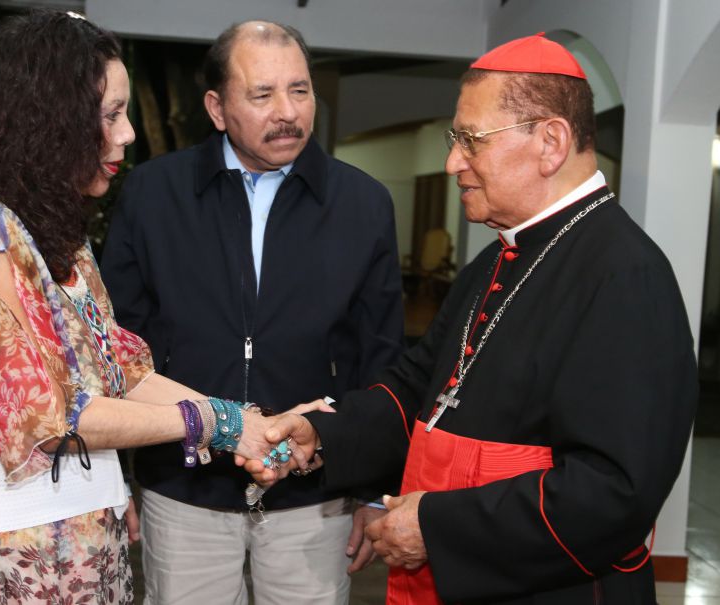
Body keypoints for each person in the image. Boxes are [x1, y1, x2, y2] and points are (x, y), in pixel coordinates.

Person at [247, 33, 699, 604]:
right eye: (454, 139)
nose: (452, 161)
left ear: (550, 141)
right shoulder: (497, 257)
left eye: (470, 140)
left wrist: (437, 526)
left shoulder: (626, 276)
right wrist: (325, 434)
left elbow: (612, 493)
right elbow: (420, 390)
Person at [0, 11, 294, 604]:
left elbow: (121, 373)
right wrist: (215, 423)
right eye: (111, 113)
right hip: (3, 554)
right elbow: (51, 421)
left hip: (81, 542)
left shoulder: (60, 233)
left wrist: (242, 419)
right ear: (49, 120)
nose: (129, 132)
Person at [100, 19, 404, 605]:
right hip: (182, 488)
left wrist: (373, 490)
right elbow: (116, 348)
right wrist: (113, 479)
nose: (287, 112)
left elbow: (382, 355)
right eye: (262, 95)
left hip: (314, 497)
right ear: (217, 108)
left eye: (300, 90)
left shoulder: (363, 203)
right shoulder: (154, 194)